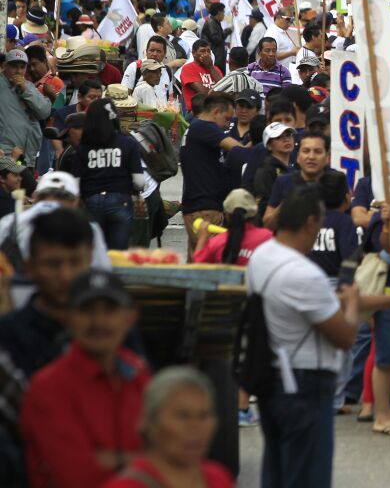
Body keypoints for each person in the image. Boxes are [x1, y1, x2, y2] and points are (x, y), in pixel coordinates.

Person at [246, 188, 390, 487]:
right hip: (305, 383)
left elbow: (327, 304)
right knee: (308, 474)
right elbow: (345, 336)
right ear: (311, 222)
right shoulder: (303, 274)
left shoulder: (263, 256)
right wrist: (353, 304)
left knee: (278, 469)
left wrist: (389, 300)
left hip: (272, 375)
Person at [20, 269, 150, 487]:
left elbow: (173, 458)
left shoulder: (137, 373)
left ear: (130, 317)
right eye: (87, 310)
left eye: (109, 310)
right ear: (67, 317)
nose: (99, 321)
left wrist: (114, 461)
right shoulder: (48, 387)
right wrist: (146, 465)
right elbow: (77, 476)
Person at [0, 208, 96, 482]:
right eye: (53, 264)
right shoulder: (9, 337)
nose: (65, 275)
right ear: (29, 267)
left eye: (74, 262)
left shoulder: (110, 332)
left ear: (90, 259)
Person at [103, 367, 234, 488]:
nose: (195, 426)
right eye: (183, 415)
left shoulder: (219, 478)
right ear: (151, 421)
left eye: (204, 416)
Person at [67, 99, 147, 250]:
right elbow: (139, 181)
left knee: (96, 250)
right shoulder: (128, 144)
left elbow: (75, 185)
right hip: (120, 200)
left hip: (92, 201)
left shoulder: (83, 148)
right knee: (118, 252)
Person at [180, 92, 241, 255]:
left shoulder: (195, 128)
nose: (227, 125)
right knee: (208, 259)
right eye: (227, 118)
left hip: (198, 206)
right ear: (216, 112)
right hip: (205, 208)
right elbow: (237, 149)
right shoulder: (204, 127)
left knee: (197, 258)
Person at [263, 132, 340, 230]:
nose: (311, 157)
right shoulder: (283, 181)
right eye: (306, 151)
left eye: (318, 151)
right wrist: (287, 204)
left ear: (327, 158)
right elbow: (267, 225)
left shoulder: (336, 180)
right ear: (298, 157)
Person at [192, 188, 272, 266]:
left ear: (227, 215)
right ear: (255, 214)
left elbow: (197, 268)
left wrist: (202, 238)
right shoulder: (268, 237)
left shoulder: (216, 242)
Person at [0, 50, 52, 165]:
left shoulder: (28, 86)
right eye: (14, 66)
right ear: (5, 66)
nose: (18, 71)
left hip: (28, 156)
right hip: (5, 154)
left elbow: (44, 112)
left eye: (22, 67)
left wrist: (25, 90)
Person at [179, 40, 224, 114]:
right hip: (196, 111)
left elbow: (224, 87)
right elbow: (202, 91)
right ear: (194, 53)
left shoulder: (215, 69)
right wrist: (219, 95)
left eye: (208, 51)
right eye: (202, 51)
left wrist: (211, 68)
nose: (206, 54)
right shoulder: (188, 68)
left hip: (216, 109)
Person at [201, 2, 229, 73]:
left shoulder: (215, 22)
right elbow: (216, 39)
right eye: (223, 12)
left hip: (217, 58)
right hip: (215, 59)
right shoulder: (211, 23)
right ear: (219, 12)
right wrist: (228, 31)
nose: (224, 14)